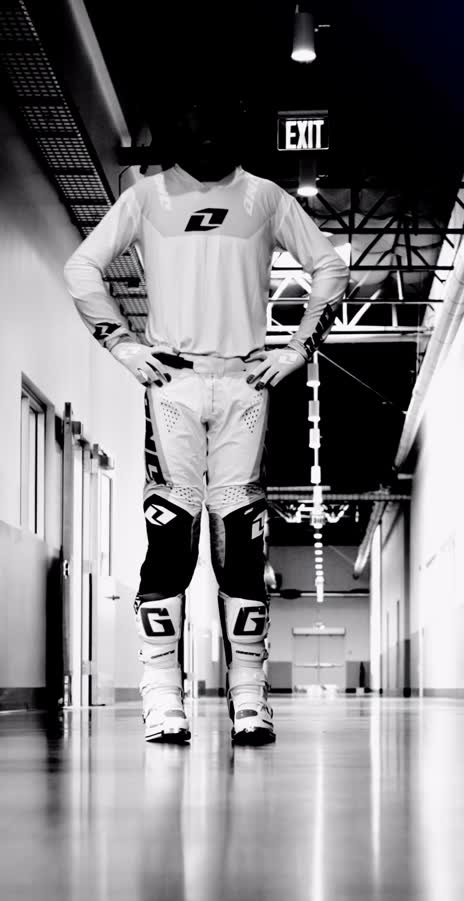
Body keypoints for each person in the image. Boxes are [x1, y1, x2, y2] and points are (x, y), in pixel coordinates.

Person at [63, 98, 349, 745]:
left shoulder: (266, 198)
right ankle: (162, 697)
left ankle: (250, 698)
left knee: (243, 545)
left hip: (247, 383)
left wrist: (297, 348)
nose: (210, 134)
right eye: (198, 121)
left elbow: (330, 267)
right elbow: (81, 267)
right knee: (170, 538)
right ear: (178, 128)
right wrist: (123, 345)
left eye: (222, 123)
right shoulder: (144, 197)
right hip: (174, 384)